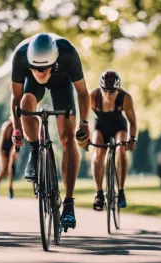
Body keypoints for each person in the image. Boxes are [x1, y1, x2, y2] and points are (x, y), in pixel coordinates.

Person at [9, 33, 91, 230]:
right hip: (31, 87)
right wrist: (16, 130)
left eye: (45, 68)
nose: (41, 72)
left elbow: (82, 92)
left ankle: (69, 204)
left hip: (62, 83)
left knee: (67, 139)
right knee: (26, 103)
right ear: (29, 63)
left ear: (54, 60)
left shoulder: (68, 54)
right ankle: (35, 150)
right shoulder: (20, 56)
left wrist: (85, 123)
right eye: (36, 68)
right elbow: (15, 99)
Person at [88, 71, 137, 211]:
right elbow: (84, 118)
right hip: (100, 125)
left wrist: (132, 139)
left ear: (118, 89)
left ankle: (121, 191)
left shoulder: (125, 98)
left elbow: (133, 122)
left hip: (119, 126)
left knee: (121, 151)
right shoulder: (93, 96)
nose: (108, 95)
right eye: (105, 91)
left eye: (112, 92)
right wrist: (84, 137)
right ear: (100, 89)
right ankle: (99, 193)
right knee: (98, 153)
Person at [0, 117, 20, 199]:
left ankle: (11, 190)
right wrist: (1, 150)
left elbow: (18, 141)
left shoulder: (17, 128)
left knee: (11, 171)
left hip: (11, 150)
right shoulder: (7, 126)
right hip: (4, 149)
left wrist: (16, 152)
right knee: (3, 170)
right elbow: (2, 139)